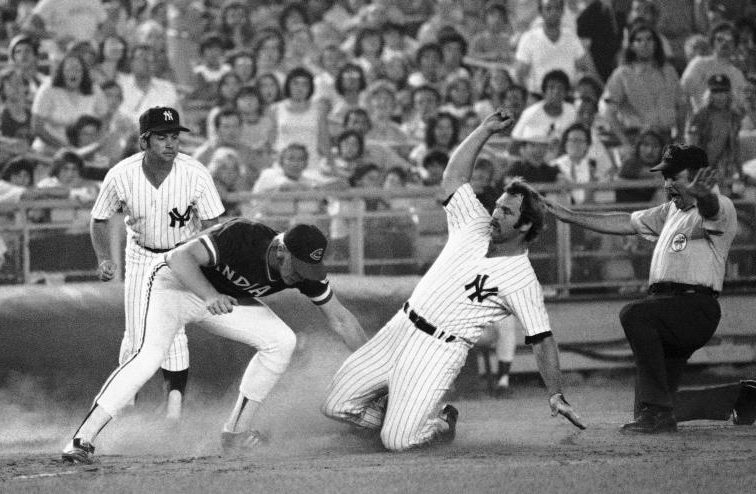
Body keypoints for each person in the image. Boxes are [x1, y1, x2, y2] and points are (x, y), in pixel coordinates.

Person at [322, 110, 586, 451]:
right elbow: (452, 179)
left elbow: (542, 339)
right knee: (334, 406)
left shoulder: (522, 279)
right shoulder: (474, 223)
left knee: (397, 441)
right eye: (498, 206)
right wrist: (484, 130)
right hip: (400, 328)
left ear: (524, 227)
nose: (495, 212)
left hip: (439, 350)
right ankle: (397, 412)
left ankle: (441, 422)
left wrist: (555, 393)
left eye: (506, 211)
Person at [61, 218, 367, 463]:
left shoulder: (306, 272)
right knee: (150, 355)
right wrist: (209, 295)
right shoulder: (245, 236)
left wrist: (374, 366)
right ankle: (82, 439)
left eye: (309, 270)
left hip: (220, 300)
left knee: (281, 341)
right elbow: (180, 258)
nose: (302, 276)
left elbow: (341, 319)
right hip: (173, 286)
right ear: (281, 250)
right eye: (297, 268)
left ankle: (235, 434)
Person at [546, 144, 738, 433]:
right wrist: (571, 216)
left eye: (675, 176)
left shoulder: (720, 206)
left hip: (693, 307)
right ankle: (742, 397)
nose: (667, 183)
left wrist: (704, 194)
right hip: (665, 308)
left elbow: (711, 209)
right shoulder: (670, 211)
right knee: (652, 405)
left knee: (635, 315)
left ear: (699, 176)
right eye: (665, 177)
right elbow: (626, 221)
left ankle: (659, 412)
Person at [88, 106, 225, 423]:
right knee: (137, 337)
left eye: (175, 136)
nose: (171, 143)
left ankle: (173, 411)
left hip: (182, 256)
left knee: (174, 330)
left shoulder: (195, 173)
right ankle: (125, 409)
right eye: (162, 137)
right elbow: (98, 219)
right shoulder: (122, 174)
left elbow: (214, 225)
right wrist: (104, 258)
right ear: (144, 142)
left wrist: (207, 266)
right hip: (141, 256)